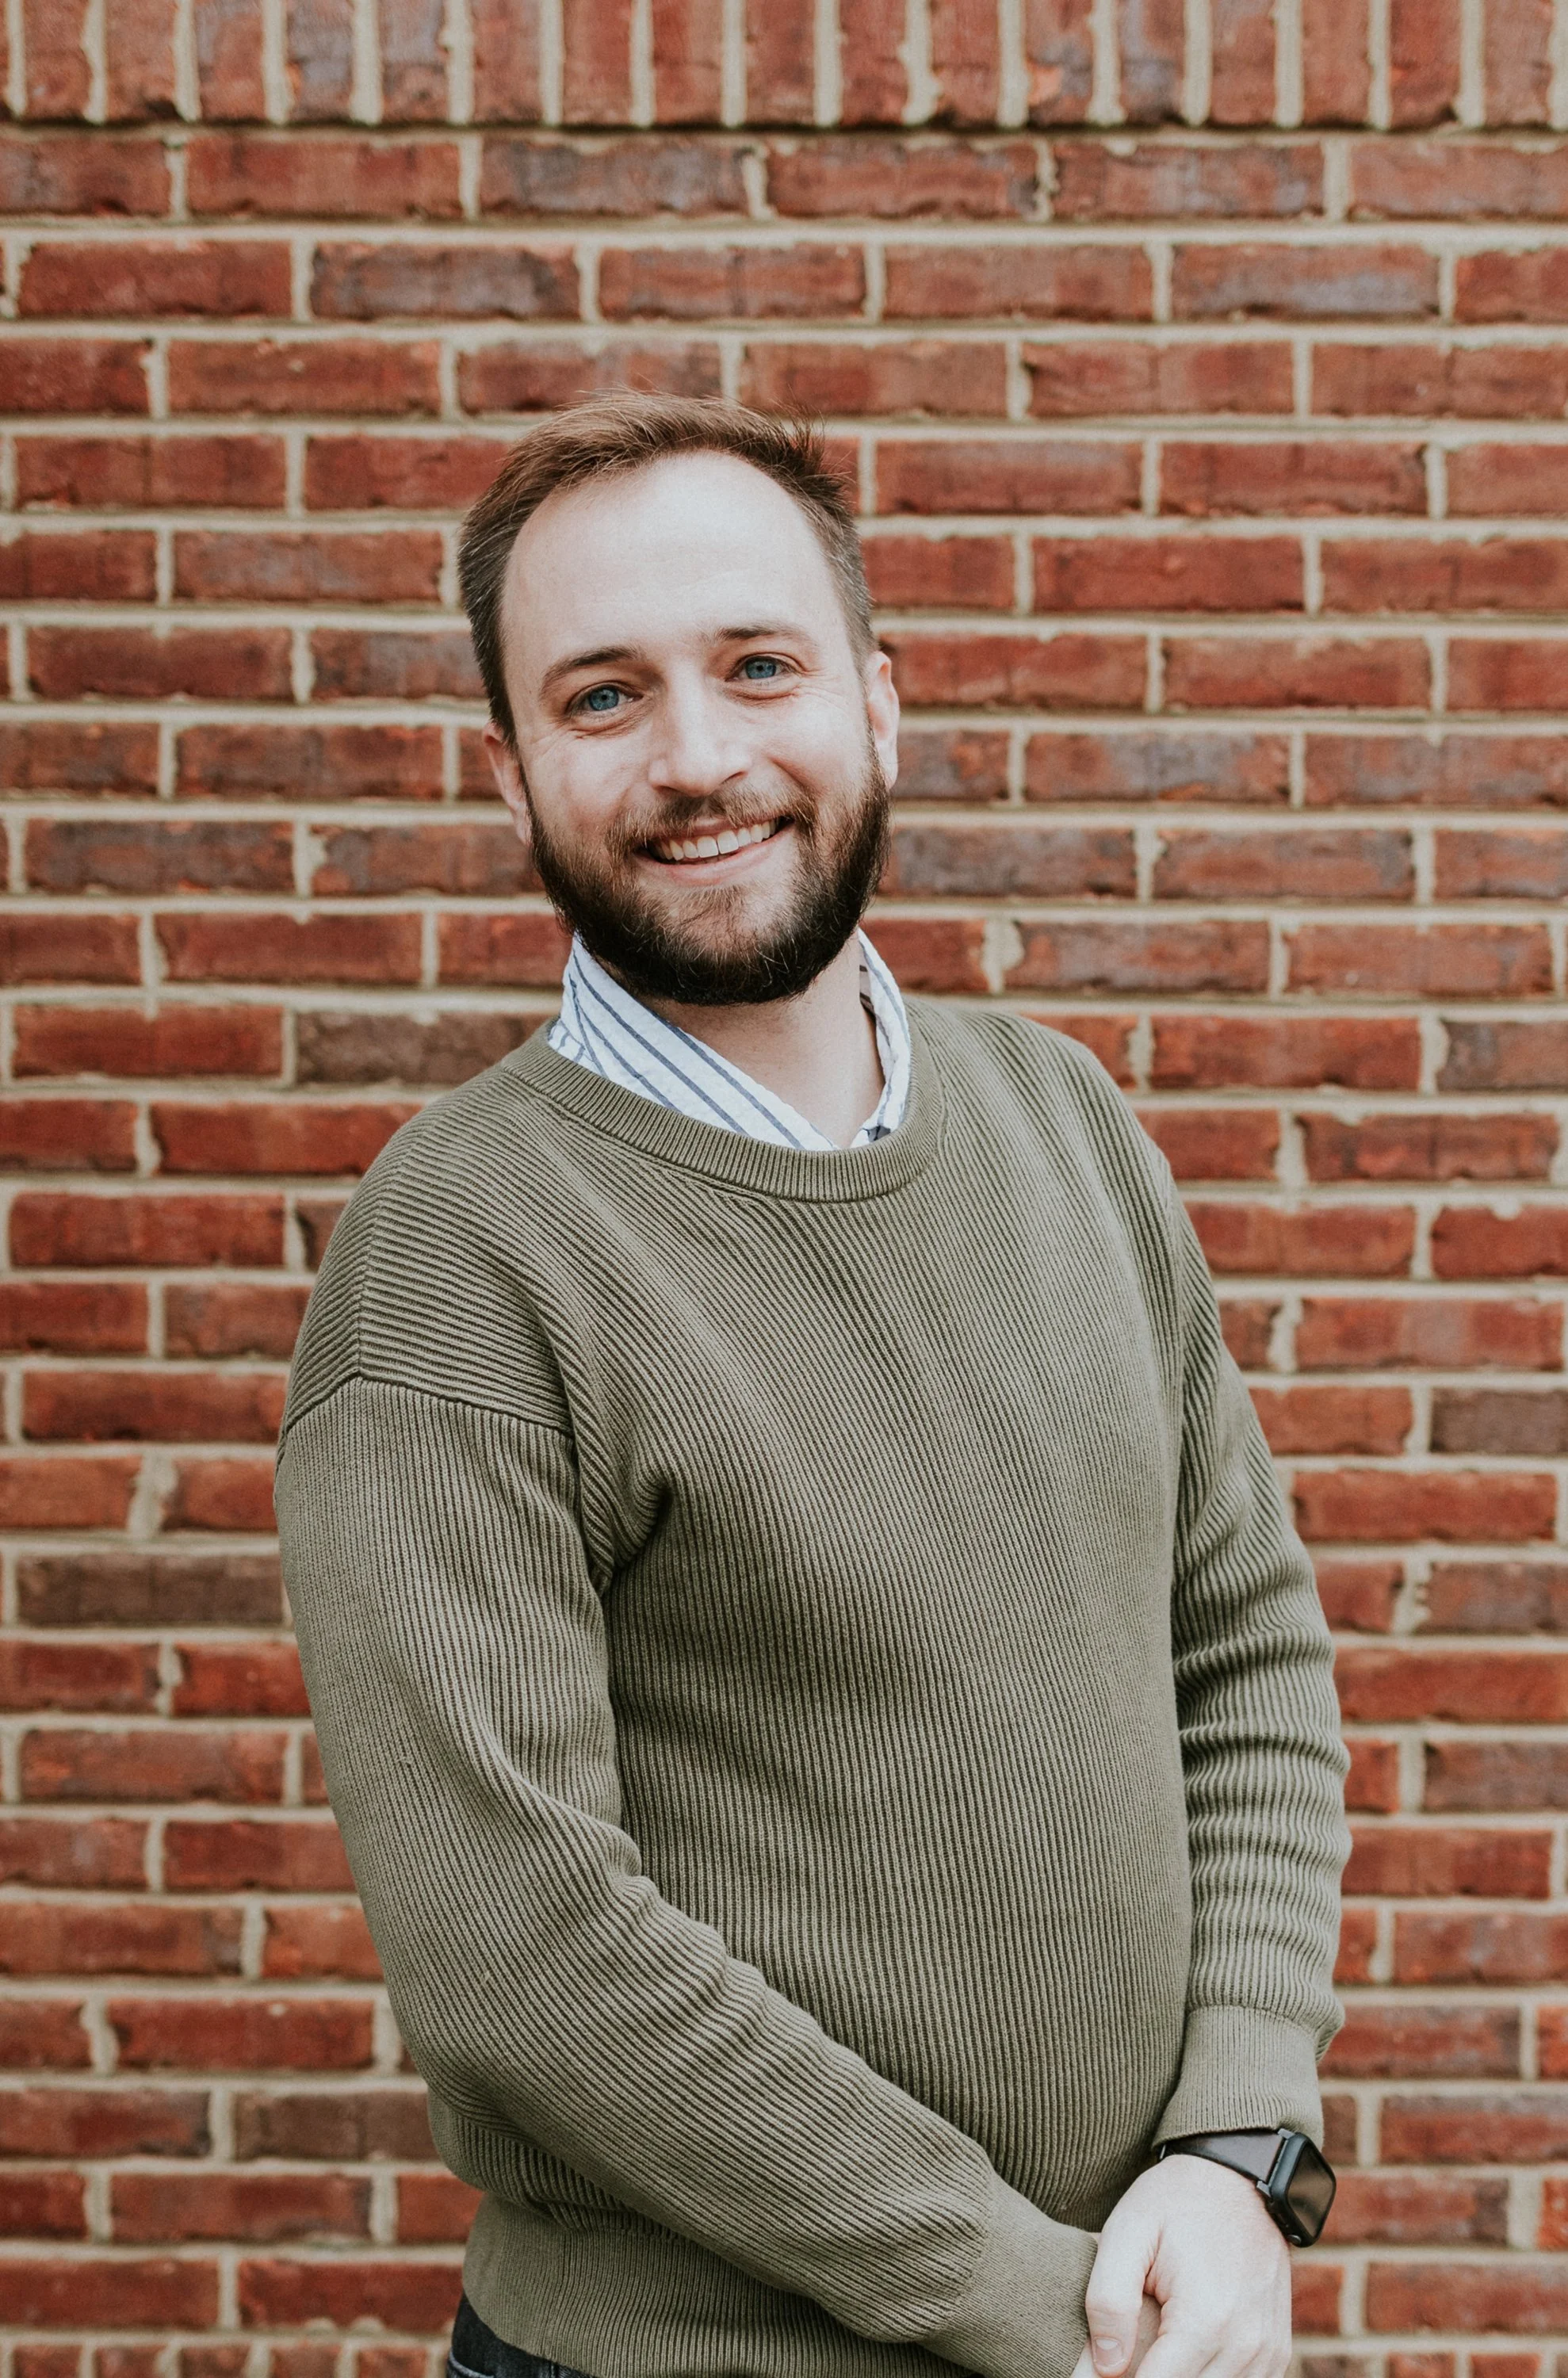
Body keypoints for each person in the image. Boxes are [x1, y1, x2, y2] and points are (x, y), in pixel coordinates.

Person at [274, 396, 1350, 2378]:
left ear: (871, 691)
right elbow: (525, 1955)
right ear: (509, 769)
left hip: (1142, 2312)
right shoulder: (462, 1254)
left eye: (755, 664)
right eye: (603, 698)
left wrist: (1231, 2146)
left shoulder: (1065, 1122)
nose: (698, 760)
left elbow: (1245, 1659)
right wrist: (1043, 2310)